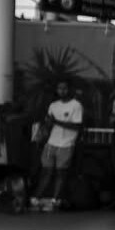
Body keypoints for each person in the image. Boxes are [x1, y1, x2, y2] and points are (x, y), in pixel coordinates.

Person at [30, 78, 83, 208]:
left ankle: (56, 199)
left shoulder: (76, 105)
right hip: (51, 142)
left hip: (66, 144)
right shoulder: (53, 105)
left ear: (69, 89)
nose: (62, 91)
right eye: (59, 88)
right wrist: (46, 125)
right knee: (46, 171)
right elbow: (49, 124)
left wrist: (56, 122)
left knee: (61, 173)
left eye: (64, 88)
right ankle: (37, 197)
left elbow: (77, 126)